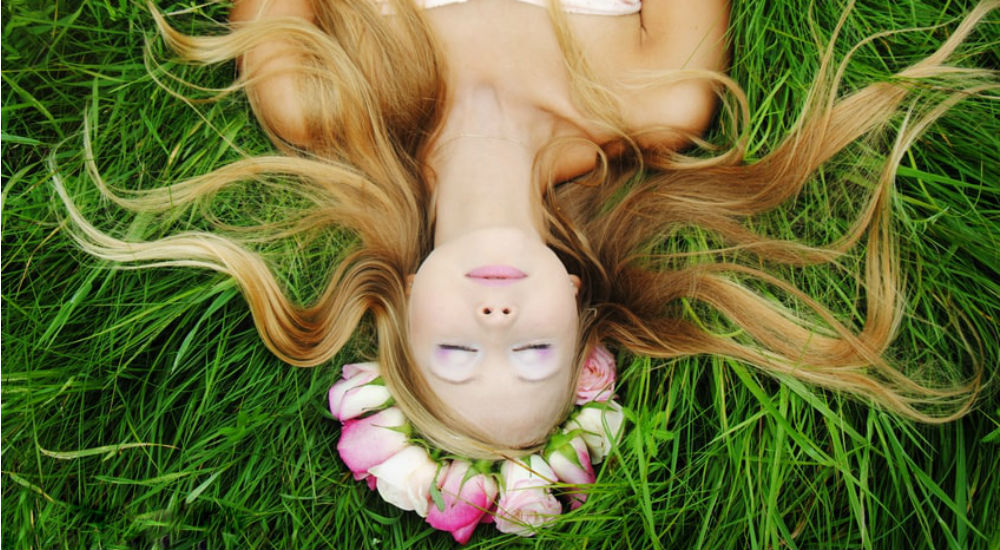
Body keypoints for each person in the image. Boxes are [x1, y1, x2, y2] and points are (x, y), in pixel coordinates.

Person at [55, 0, 993, 464]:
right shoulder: (660, 100)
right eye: (533, 352)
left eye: (459, 354)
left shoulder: (315, 99)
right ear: (579, 309)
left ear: (403, 309)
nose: (495, 320)